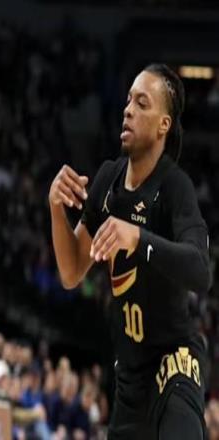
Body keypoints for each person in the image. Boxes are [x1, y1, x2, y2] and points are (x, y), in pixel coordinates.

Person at [48, 64, 211, 439]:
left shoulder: (174, 188)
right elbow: (71, 272)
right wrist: (56, 209)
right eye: (128, 101)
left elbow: (201, 272)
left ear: (163, 125)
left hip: (175, 361)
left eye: (142, 103)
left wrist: (138, 237)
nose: (128, 110)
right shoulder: (108, 180)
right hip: (129, 377)